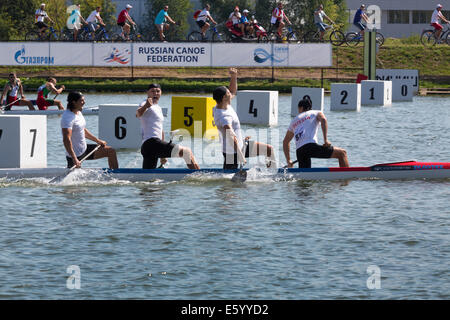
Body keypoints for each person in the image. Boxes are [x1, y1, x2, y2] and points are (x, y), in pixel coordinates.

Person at [212, 68, 277, 170]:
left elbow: (233, 91)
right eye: (228, 93)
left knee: (269, 149)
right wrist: (241, 156)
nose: (231, 94)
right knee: (229, 181)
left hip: (240, 145)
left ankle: (272, 172)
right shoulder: (225, 117)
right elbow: (230, 136)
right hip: (232, 152)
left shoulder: (222, 105)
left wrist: (234, 76)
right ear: (224, 97)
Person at [136, 84, 200, 170]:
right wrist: (146, 106)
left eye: (158, 91)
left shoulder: (158, 108)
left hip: (150, 147)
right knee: (186, 152)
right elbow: (138, 114)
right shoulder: (144, 103)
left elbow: (160, 130)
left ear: (161, 93)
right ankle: (199, 175)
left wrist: (162, 156)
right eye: (152, 91)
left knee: (147, 177)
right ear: (148, 93)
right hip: (151, 143)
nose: (155, 93)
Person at [283, 98, 349, 168]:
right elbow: (323, 120)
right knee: (342, 153)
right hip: (310, 146)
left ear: (301, 108)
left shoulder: (294, 120)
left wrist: (288, 160)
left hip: (299, 151)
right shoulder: (316, 112)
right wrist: (325, 140)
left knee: (305, 176)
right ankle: (348, 177)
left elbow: (285, 142)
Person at [61, 91, 118, 169]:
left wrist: (97, 141)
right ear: (74, 102)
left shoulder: (78, 112)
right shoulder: (67, 118)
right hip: (75, 155)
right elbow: (66, 140)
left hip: (84, 149)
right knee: (74, 180)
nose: (84, 102)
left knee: (111, 151)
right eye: (81, 100)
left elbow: (82, 130)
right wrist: (74, 158)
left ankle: (115, 175)